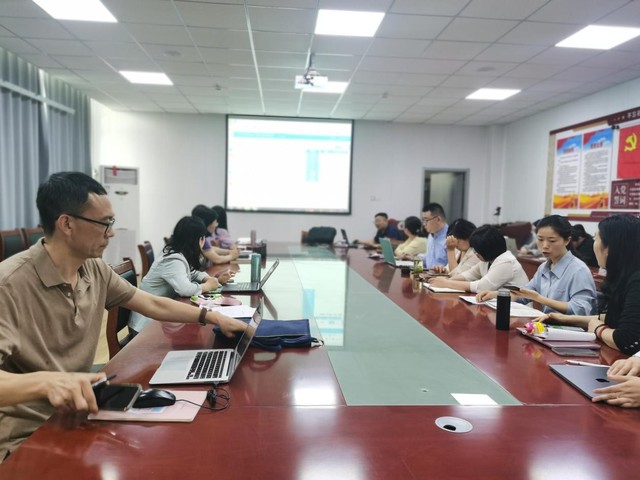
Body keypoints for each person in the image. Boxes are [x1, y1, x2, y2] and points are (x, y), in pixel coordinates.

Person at [0, 172, 247, 460]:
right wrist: (48, 383)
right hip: (27, 437)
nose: (112, 232)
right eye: (104, 223)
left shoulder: (94, 269)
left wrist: (211, 317)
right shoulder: (10, 285)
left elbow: (151, 303)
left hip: (81, 417)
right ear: (66, 224)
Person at [533, 215, 640, 355]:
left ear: (609, 248)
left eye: (596, 239)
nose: (593, 244)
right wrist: (565, 319)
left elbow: (626, 340)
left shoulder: (636, 282)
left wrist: (598, 329)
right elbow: (613, 318)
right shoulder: (624, 278)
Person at [128, 216, 235, 334]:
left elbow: (193, 273)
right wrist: (208, 286)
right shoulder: (173, 260)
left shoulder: (179, 253)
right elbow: (185, 290)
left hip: (158, 317)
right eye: (203, 238)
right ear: (198, 240)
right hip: (146, 325)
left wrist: (211, 280)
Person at [477, 215, 596, 316]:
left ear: (567, 240)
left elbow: (581, 309)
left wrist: (539, 298)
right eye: (540, 239)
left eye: (552, 241)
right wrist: (495, 294)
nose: (545, 245)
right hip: (547, 326)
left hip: (570, 331)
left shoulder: (578, 270)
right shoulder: (544, 267)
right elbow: (523, 294)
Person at [429, 225, 528, 293]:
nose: (475, 253)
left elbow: (482, 287)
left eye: (477, 250)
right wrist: (443, 280)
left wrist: (447, 283)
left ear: (488, 249)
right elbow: (468, 275)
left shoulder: (506, 261)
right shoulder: (486, 260)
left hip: (518, 310)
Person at [421, 203, 448, 269]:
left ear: (438, 219)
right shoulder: (431, 235)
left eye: (426, 220)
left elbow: (453, 267)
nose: (424, 224)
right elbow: (430, 259)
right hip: (427, 273)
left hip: (441, 275)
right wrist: (414, 258)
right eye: (423, 220)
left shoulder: (450, 237)